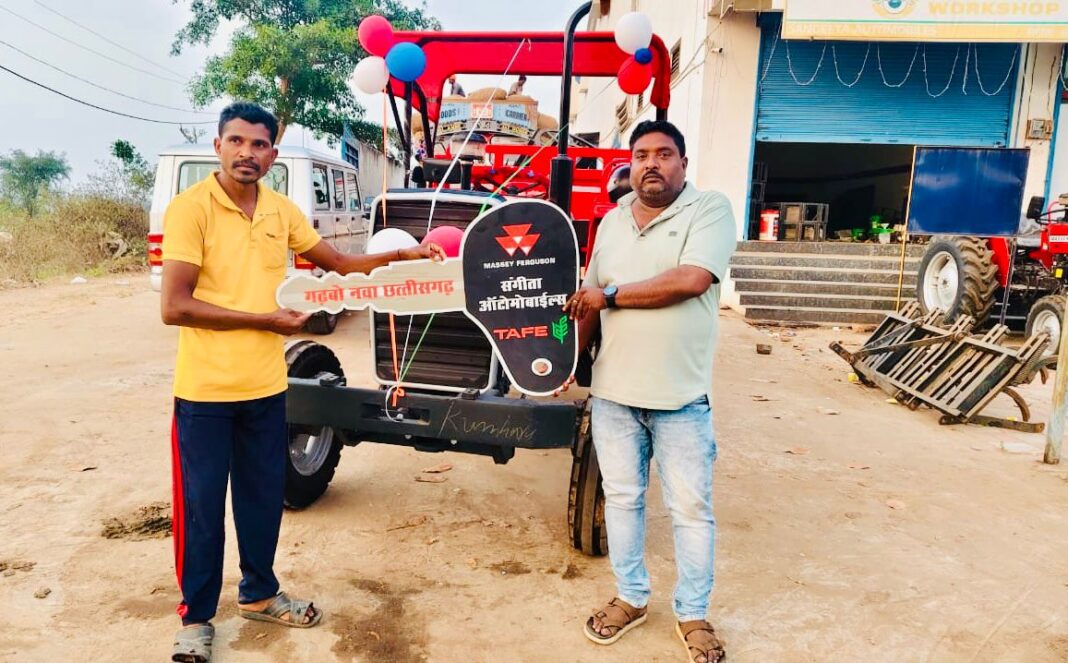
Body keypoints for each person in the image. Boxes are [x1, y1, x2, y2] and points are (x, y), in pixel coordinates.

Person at [161, 102, 444, 663]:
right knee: (200, 508)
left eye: (260, 144)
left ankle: (260, 595)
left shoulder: (280, 210)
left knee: (262, 500)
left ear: (272, 151)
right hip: (205, 393)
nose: (248, 153)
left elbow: (337, 262)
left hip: (267, 388)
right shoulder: (190, 210)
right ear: (217, 146)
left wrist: (406, 253)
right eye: (237, 141)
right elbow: (175, 306)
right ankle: (195, 619)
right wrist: (268, 321)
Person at [563, 120, 736, 663]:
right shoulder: (612, 222)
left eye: (664, 154)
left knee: (690, 510)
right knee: (624, 501)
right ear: (630, 164)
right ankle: (631, 597)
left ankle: (693, 614)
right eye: (641, 155)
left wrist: (608, 297)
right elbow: (587, 298)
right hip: (614, 395)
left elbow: (689, 281)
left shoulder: (709, 210)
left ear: (683, 164)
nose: (651, 164)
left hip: (680, 399)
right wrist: (564, 361)